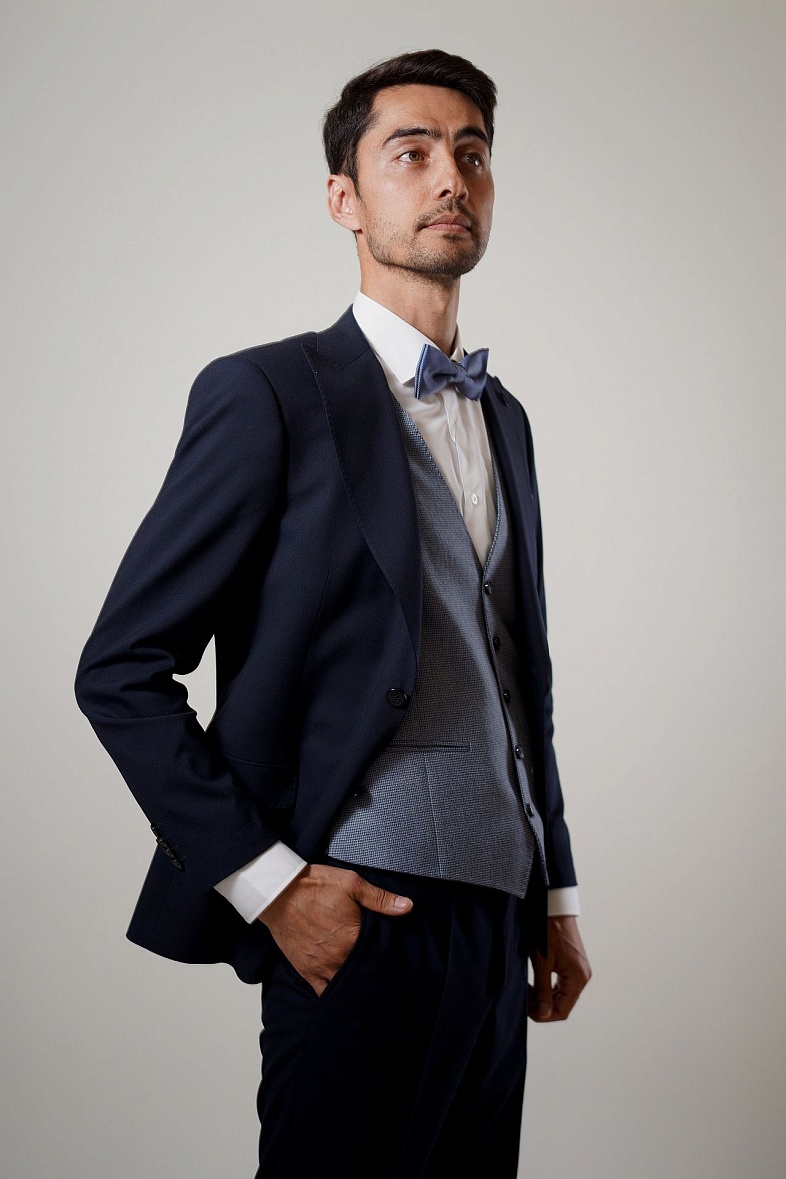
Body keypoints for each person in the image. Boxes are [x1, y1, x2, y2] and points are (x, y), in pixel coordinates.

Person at [75, 48, 591, 1178]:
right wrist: (271, 884)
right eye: (411, 152)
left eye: (472, 154)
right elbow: (119, 669)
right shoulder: (267, 392)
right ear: (344, 199)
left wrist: (554, 890)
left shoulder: (505, 418)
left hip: (500, 918)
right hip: (356, 907)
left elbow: (519, 674)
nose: (450, 177)